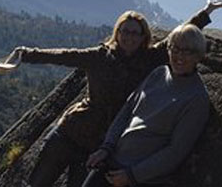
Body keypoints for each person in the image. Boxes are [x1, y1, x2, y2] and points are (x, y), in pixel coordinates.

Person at [0, 0, 222, 187]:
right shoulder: (98, 56)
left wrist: (205, 12)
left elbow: (181, 40)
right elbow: (63, 56)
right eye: (125, 31)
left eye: (135, 33)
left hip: (97, 147)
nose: (129, 37)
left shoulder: (150, 60)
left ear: (143, 37)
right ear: (117, 33)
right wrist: (24, 54)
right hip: (69, 133)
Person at [82, 23, 210, 187]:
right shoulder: (159, 73)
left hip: (138, 178)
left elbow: (176, 151)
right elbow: (127, 110)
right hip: (112, 161)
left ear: (198, 55)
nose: (179, 56)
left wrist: (132, 176)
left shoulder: (195, 98)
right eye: (175, 49)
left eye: (187, 51)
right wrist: (106, 148)